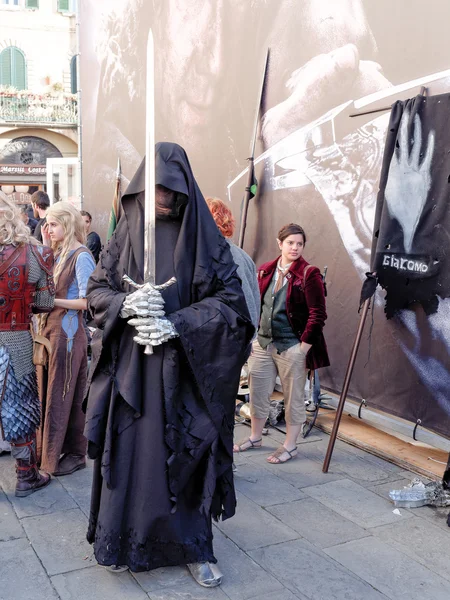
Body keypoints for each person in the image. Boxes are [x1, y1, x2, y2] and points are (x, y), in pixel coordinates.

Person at [84, 143, 253, 586]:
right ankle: (122, 540)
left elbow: (233, 308)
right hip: (132, 375)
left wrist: (178, 324)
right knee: (130, 461)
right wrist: (125, 302)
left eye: (170, 187)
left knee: (187, 459)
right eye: (155, 186)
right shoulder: (124, 236)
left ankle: (194, 547)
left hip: (186, 375)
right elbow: (96, 293)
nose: (162, 196)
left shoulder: (206, 241)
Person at [234, 223, 329, 463]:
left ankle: (290, 446)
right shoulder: (265, 270)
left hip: (292, 347)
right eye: (290, 243)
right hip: (263, 344)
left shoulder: (309, 273)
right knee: (257, 393)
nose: (295, 248)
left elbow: (318, 314)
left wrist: (303, 348)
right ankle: (255, 436)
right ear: (280, 244)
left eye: (299, 244)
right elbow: (257, 304)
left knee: (293, 397)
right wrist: (255, 336)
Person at [0, 191, 55, 496]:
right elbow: (46, 303)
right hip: (16, 335)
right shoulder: (34, 254)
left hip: (13, 333)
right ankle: (26, 476)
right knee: (19, 406)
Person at [37, 202, 96, 476]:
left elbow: (89, 301)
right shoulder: (59, 253)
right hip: (54, 332)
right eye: (47, 223)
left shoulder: (81, 255)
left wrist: (52, 301)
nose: (48, 229)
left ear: (68, 224)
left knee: (63, 395)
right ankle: (51, 453)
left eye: (53, 224)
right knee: (54, 393)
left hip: (69, 334)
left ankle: (72, 453)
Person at [205, 197, 260, 331]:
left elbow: (244, 300)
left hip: (227, 341)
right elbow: (255, 302)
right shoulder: (243, 256)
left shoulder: (223, 256)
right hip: (237, 339)